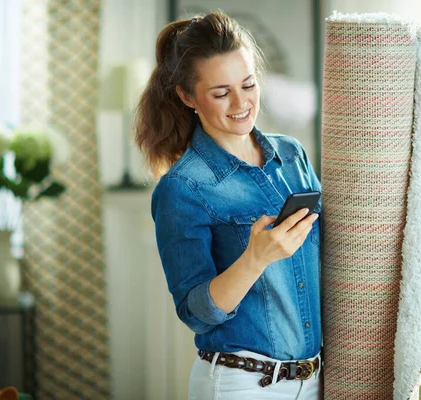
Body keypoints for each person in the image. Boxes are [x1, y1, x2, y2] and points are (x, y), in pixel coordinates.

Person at [134, 11, 322, 400]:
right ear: (187, 97)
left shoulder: (292, 154)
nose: (241, 103)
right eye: (221, 93)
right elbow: (195, 312)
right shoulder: (181, 188)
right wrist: (255, 259)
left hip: (317, 379)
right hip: (243, 385)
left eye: (249, 84)